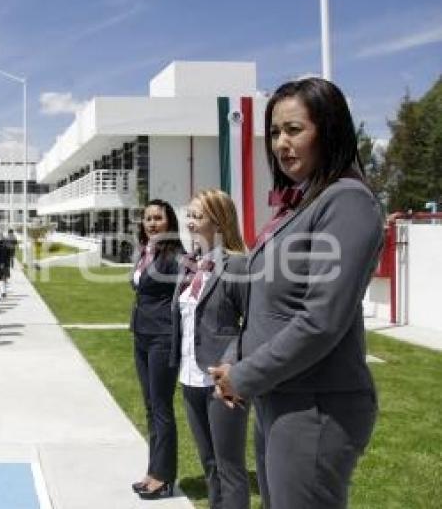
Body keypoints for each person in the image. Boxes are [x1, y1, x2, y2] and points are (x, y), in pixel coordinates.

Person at [209, 78, 383, 508]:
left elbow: (320, 321)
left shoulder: (347, 202)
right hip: (279, 397)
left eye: (294, 130)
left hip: (315, 407)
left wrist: (243, 377)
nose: (281, 144)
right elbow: (266, 305)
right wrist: (235, 359)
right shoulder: (300, 205)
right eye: (274, 132)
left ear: (329, 129)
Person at [171, 189, 249, 509]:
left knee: (229, 467)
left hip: (222, 380)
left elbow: (254, 324)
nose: (190, 221)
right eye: (188, 214)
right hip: (190, 377)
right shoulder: (191, 264)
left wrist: (232, 364)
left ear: (218, 221)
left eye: (197, 216)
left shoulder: (238, 265)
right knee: (209, 464)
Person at [130, 199, 185, 500]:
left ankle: (164, 478)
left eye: (158, 219)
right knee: (151, 407)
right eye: (148, 218)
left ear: (169, 223)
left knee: (162, 407)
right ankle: (153, 470)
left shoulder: (176, 255)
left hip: (162, 337)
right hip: (141, 336)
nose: (151, 223)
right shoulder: (144, 252)